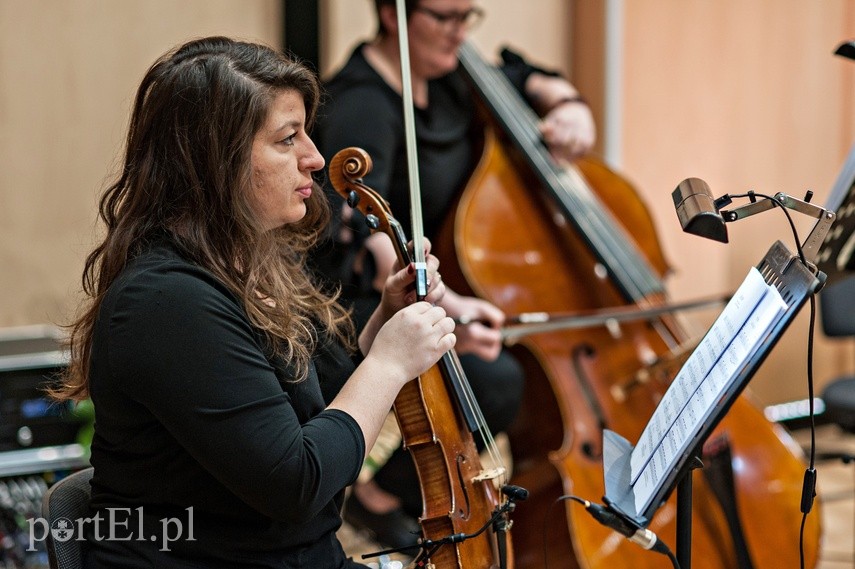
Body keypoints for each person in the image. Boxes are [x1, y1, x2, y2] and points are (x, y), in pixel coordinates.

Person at [51, 36, 456, 569]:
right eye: (289, 138)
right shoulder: (166, 302)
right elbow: (297, 482)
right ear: (215, 159)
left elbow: (304, 417)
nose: (314, 157)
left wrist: (384, 324)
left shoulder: (245, 263)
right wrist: (389, 363)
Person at [312, 0, 597, 550]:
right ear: (395, 16)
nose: (460, 33)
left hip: (433, 283)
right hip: (365, 299)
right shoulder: (363, 105)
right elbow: (365, 235)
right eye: (445, 17)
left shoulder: (449, 80)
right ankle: (378, 497)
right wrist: (448, 308)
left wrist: (567, 103)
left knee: (502, 367)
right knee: (494, 381)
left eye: (469, 16)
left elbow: (521, 76)